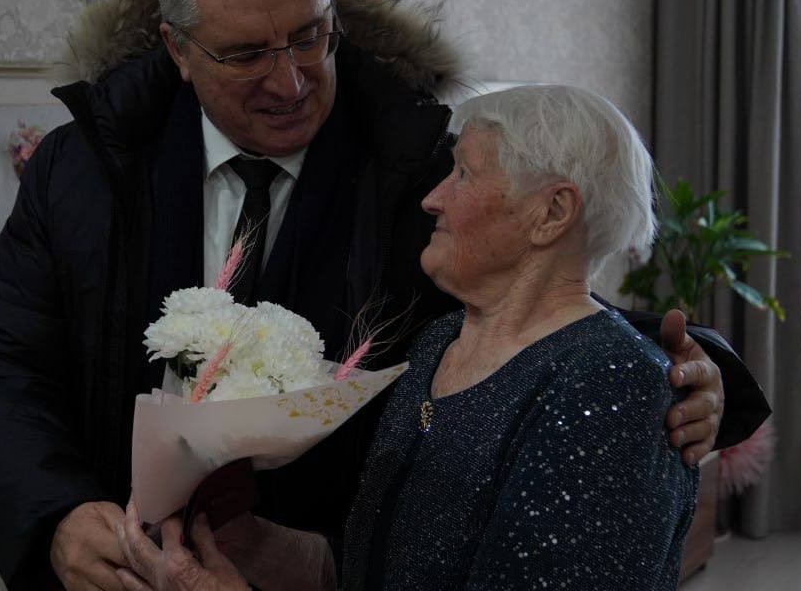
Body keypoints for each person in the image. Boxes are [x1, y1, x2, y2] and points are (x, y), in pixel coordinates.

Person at [0, 0, 767, 590]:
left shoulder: (419, 167)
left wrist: (701, 373)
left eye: (310, 35)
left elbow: (550, 311)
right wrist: (52, 515)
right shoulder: (82, 168)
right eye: (247, 54)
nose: (292, 79)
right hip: (118, 570)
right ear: (178, 50)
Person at [115, 85, 703, 591]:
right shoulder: (439, 342)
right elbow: (378, 570)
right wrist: (246, 543)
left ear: (551, 213)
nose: (432, 198)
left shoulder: (612, 387)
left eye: (463, 173)